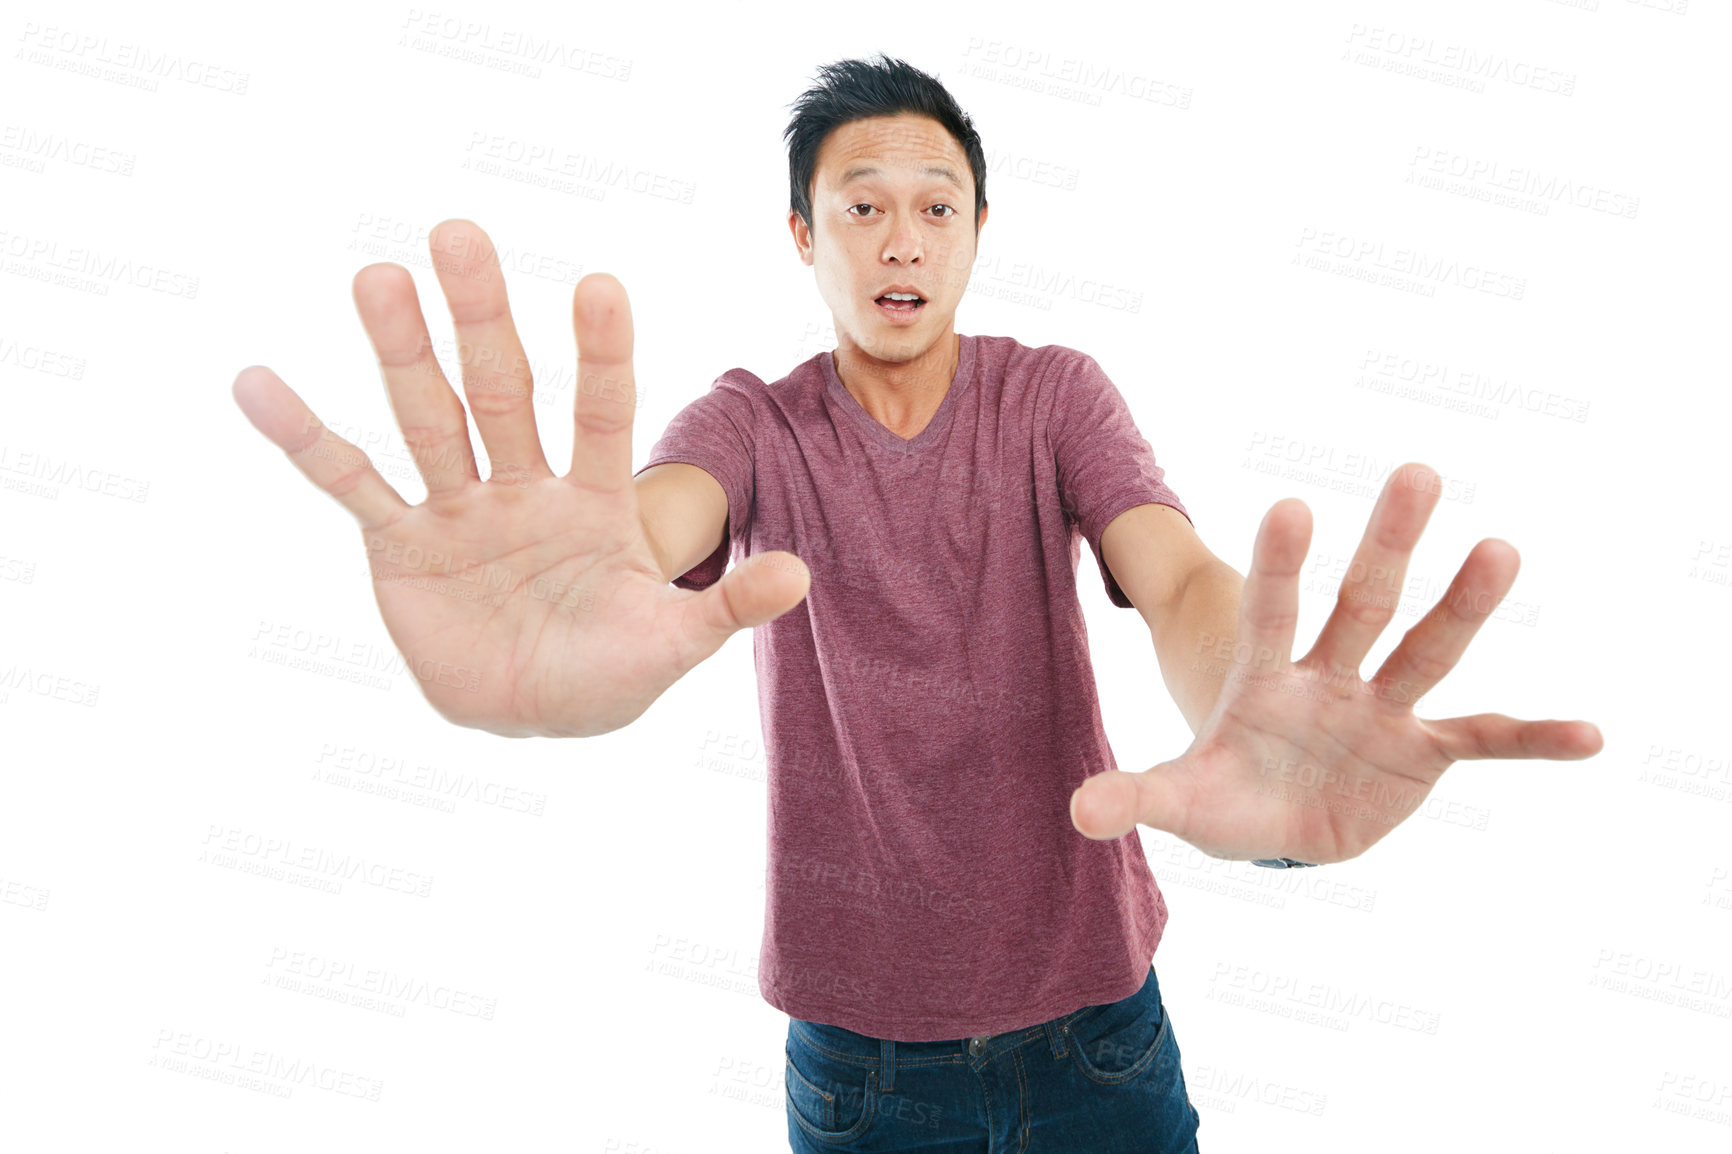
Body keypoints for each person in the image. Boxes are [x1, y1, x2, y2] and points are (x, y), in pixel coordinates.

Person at [231, 52, 1603, 1154]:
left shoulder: (1053, 393)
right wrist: (594, 586)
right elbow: (655, 528)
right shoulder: (752, 423)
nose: (904, 238)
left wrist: (1237, 679)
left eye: (938, 205)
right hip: (860, 1067)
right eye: (862, 204)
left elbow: (1173, 574)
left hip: (1099, 1025)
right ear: (801, 233)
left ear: (980, 230)